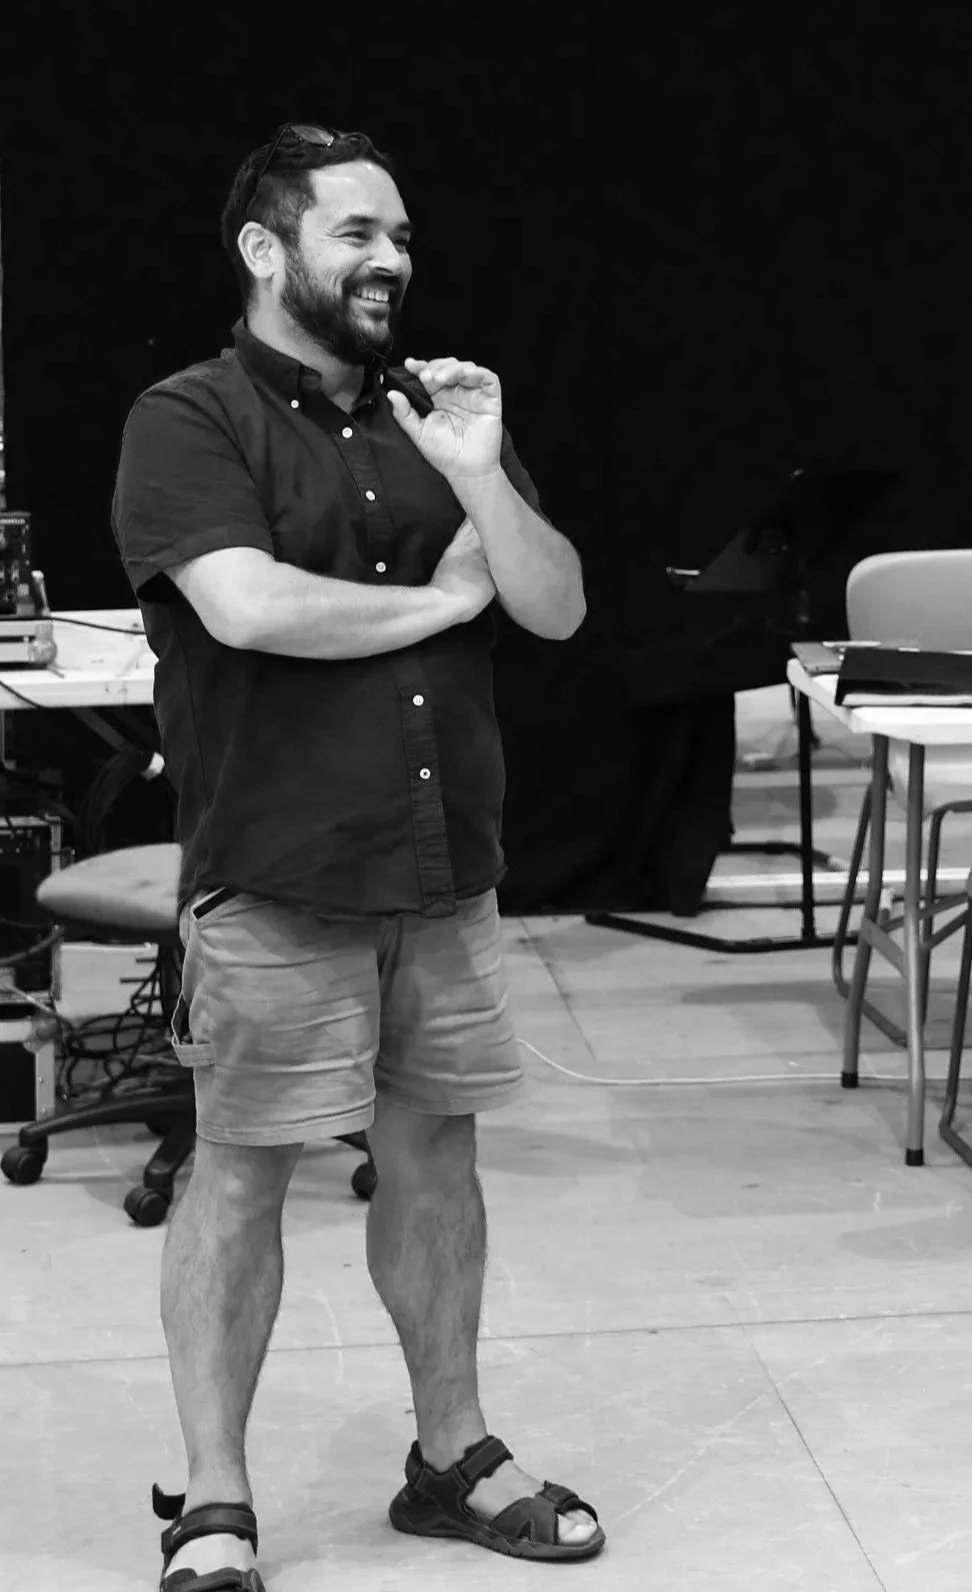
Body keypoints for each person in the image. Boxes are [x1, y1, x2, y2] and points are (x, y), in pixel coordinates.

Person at [110, 123, 604, 1592]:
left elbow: (557, 603)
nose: (390, 260)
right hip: (277, 866)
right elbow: (253, 609)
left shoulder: (435, 412)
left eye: (399, 235)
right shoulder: (187, 418)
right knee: (243, 1178)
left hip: (442, 863)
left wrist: (478, 473)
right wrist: (444, 610)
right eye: (355, 234)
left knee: (434, 1165)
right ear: (267, 252)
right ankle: (213, 1500)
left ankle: (450, 1452)